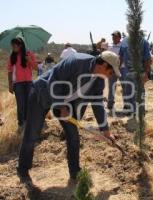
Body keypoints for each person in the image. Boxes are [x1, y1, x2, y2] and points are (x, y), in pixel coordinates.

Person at [17, 51, 121, 182]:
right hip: (42, 93)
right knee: (32, 133)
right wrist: (61, 107)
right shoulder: (76, 61)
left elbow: (97, 102)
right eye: (111, 72)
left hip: (66, 103)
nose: (109, 76)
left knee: (73, 136)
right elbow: (54, 81)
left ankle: (75, 172)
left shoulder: (99, 79)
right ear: (104, 65)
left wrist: (105, 130)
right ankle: (23, 170)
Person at [7, 37, 37, 132]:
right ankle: (21, 123)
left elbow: (36, 68)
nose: (13, 48)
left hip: (28, 82)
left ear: (20, 45)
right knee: (21, 104)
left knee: (29, 103)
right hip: (17, 84)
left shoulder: (29, 54)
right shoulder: (12, 56)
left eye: (14, 46)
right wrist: (10, 85)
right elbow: (9, 71)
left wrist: (29, 60)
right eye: (12, 46)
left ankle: (29, 122)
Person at [119, 29, 152, 115]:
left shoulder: (143, 42)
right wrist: (117, 69)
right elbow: (121, 57)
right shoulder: (124, 41)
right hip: (126, 72)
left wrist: (145, 73)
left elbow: (147, 59)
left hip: (139, 73)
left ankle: (140, 113)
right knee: (128, 92)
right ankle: (131, 112)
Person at [107, 31, 128, 110]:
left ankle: (126, 104)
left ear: (119, 37)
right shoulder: (109, 45)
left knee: (124, 86)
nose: (113, 38)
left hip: (122, 68)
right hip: (112, 69)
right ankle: (110, 103)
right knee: (111, 86)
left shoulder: (123, 45)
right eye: (113, 36)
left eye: (115, 36)